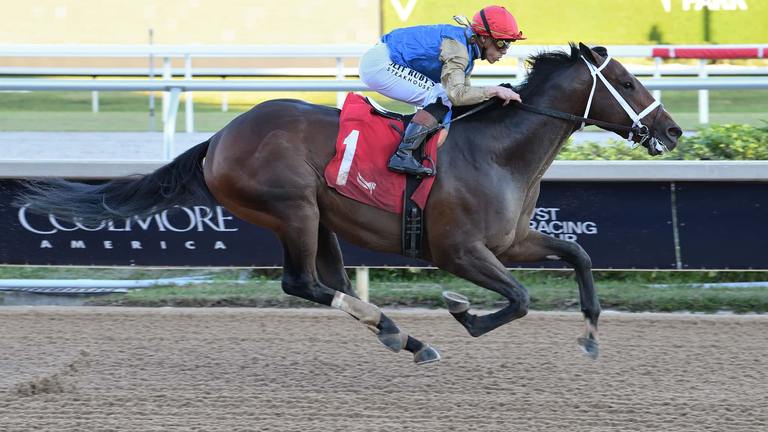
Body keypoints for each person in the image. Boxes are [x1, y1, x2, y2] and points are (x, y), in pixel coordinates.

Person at [359, 5, 526, 176]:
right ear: (483, 38)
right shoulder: (459, 49)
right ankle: (402, 155)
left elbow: (461, 96)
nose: (505, 50)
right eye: (501, 42)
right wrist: (494, 90)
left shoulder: (466, 50)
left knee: (441, 96)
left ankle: (417, 149)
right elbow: (456, 95)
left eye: (509, 44)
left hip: (385, 59)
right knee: (438, 96)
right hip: (380, 63)